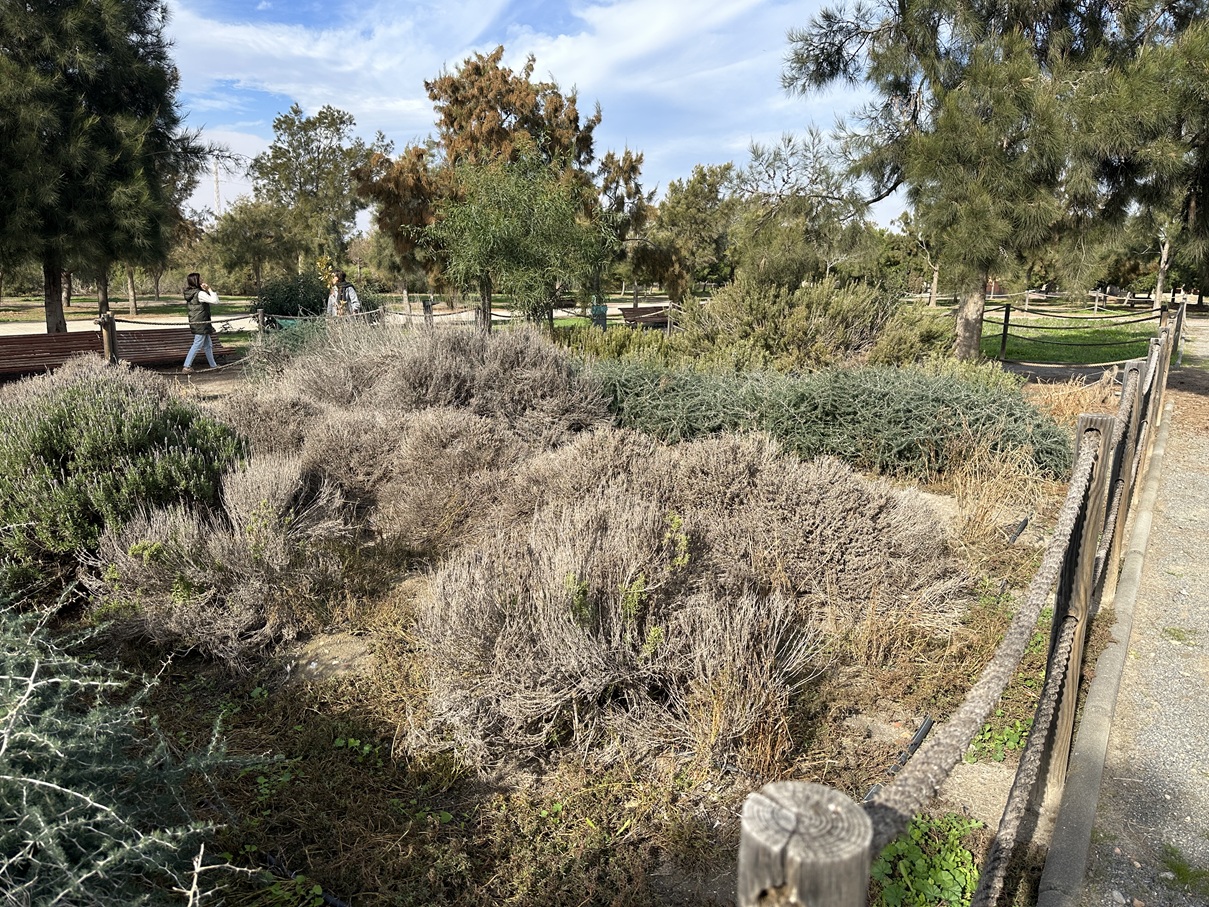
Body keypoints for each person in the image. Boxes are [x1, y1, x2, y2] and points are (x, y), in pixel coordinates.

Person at [182, 272, 218, 372]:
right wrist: (209, 289)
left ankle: (213, 366)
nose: (202, 280)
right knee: (197, 345)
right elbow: (215, 301)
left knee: (208, 345)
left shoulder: (191, 293)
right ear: (196, 281)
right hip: (201, 323)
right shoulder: (200, 293)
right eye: (200, 278)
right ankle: (186, 366)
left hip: (198, 322)